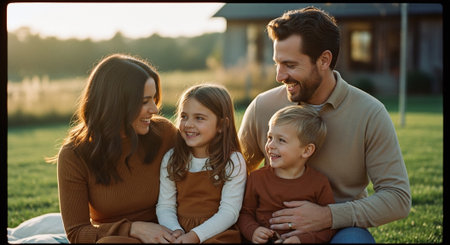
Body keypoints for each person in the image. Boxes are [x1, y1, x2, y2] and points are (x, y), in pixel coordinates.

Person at [238, 6, 411, 243]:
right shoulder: (262, 107)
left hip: (338, 230)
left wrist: (327, 216)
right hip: (269, 230)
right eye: (277, 63)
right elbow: (233, 174)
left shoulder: (369, 113)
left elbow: (397, 198)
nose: (279, 76)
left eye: (290, 65)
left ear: (324, 60)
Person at [54, 53, 179, 243]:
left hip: (172, 234)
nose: (154, 109)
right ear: (116, 103)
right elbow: (77, 233)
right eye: (145, 101)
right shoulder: (74, 154)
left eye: (154, 99)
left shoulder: (164, 133)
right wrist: (132, 229)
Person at [156, 84, 247, 243]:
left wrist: (195, 236)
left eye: (199, 118)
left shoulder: (232, 161)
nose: (188, 124)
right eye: (184, 116)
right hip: (178, 231)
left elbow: (229, 211)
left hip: (216, 233)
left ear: (221, 125)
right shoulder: (172, 159)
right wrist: (176, 232)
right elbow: (165, 206)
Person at [237, 105, 336, 244]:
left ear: (307, 150)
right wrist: (253, 231)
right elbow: (244, 214)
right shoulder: (257, 178)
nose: (270, 145)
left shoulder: (319, 183)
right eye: (269, 137)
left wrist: (301, 240)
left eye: (281, 140)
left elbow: (328, 228)